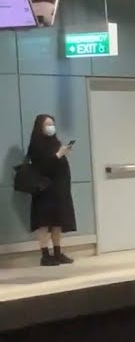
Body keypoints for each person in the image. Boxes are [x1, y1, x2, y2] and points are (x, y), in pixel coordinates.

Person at [26, 114, 76, 266]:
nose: (51, 127)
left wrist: (63, 152)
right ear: (40, 127)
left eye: (52, 124)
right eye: (47, 125)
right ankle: (45, 255)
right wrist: (59, 154)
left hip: (58, 188)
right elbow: (43, 166)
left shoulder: (55, 141)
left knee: (57, 221)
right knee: (44, 222)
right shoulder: (36, 144)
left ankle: (58, 252)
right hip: (44, 189)